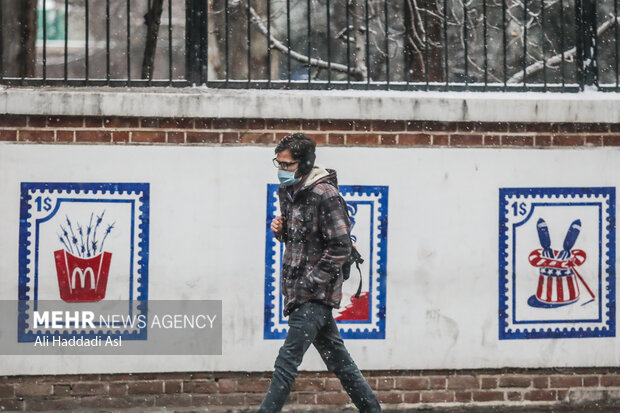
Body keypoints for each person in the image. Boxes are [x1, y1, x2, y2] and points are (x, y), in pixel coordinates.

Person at [258, 133, 382, 413]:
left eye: (287, 165)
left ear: (305, 164)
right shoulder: (288, 192)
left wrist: (311, 282)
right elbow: (300, 238)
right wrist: (281, 231)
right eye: (277, 163)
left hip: (314, 295)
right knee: (341, 364)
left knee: (286, 364)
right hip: (298, 292)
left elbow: (340, 246)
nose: (281, 170)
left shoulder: (325, 195)